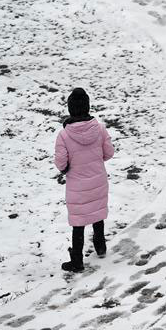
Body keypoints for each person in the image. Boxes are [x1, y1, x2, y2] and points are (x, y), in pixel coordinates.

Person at [54, 87, 115, 273]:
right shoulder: (100, 129)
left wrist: (67, 169)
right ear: (87, 107)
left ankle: (77, 261)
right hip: (98, 180)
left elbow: (61, 163)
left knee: (78, 222)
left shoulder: (64, 135)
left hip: (77, 186)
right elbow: (109, 153)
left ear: (70, 108)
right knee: (97, 212)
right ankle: (100, 246)